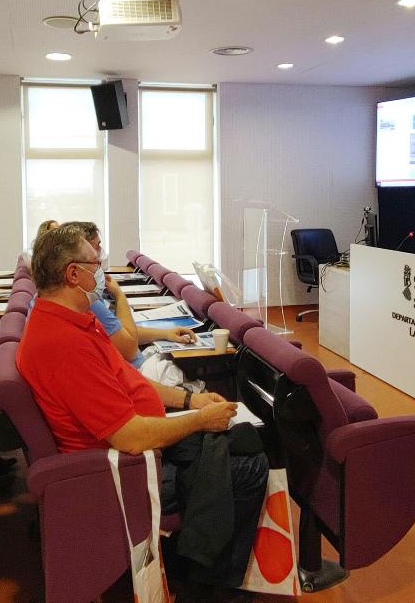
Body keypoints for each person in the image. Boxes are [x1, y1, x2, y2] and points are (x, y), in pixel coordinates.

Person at [17, 227, 268, 598]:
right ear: (73, 274)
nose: (102, 272)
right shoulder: (63, 343)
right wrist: (198, 420)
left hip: (135, 449)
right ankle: (210, 582)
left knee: (241, 442)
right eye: (95, 264)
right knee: (249, 467)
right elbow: (130, 437)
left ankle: (194, 561)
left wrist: (189, 402)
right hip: (118, 472)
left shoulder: (73, 319)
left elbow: (129, 380)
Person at [60, 221, 195, 366]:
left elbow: (120, 332)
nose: (100, 253)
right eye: (97, 247)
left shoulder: (87, 296)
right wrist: (119, 295)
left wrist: (166, 333)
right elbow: (129, 348)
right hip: (139, 371)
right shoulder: (88, 300)